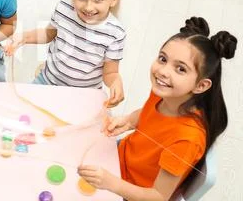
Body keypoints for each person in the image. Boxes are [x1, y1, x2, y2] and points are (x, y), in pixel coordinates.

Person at [78, 17, 237, 201]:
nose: (163, 71)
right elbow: (150, 115)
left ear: (201, 85)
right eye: (163, 59)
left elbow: (159, 196)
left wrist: (111, 183)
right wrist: (128, 120)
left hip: (132, 192)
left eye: (180, 69)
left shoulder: (187, 139)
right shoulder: (165, 93)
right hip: (121, 160)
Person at [5, 0, 125, 107]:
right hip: (48, 81)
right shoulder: (64, 8)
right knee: (22, 110)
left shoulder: (115, 32)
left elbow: (110, 72)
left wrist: (116, 83)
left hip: (84, 95)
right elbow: (49, 34)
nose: (88, 7)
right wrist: (23, 37)